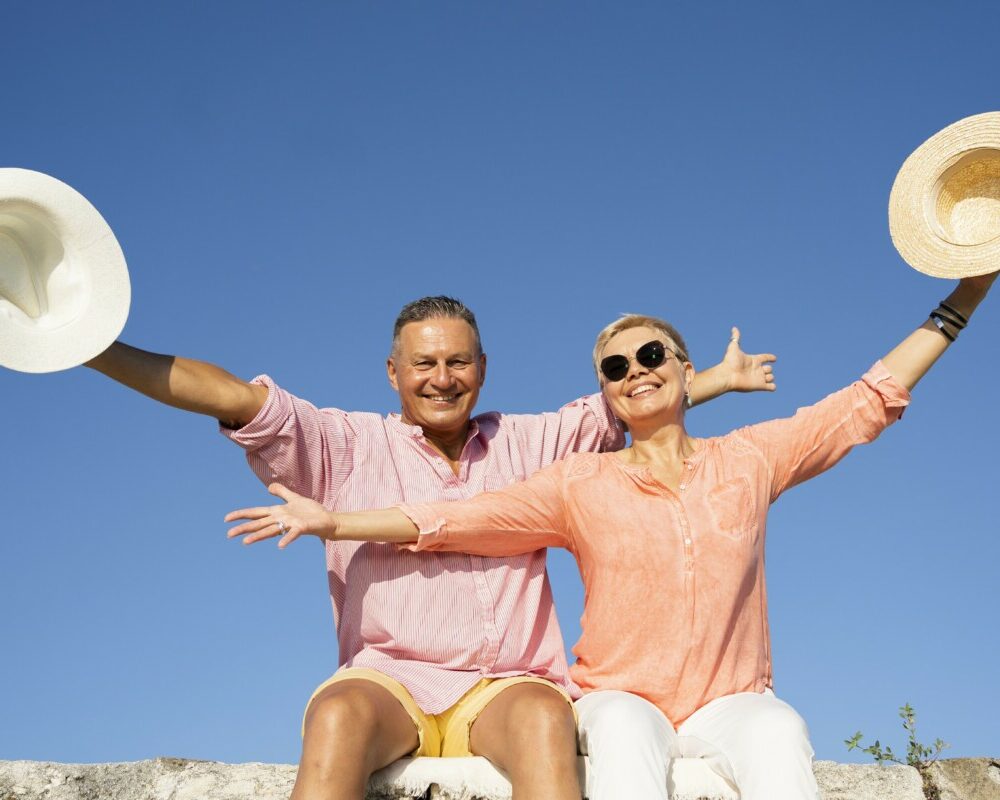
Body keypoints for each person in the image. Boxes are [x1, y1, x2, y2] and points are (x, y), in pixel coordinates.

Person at [226, 274, 996, 800]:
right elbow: (454, 521)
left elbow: (866, 402)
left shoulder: (751, 461)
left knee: (783, 735)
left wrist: (965, 294)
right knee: (622, 738)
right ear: (606, 392)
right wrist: (335, 521)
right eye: (616, 365)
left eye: (652, 355)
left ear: (685, 370)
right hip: (620, 697)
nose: (636, 370)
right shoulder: (577, 483)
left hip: (733, 700)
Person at [86, 295, 775, 800]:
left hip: (505, 685)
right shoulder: (341, 443)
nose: (440, 378)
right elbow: (229, 395)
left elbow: (634, 400)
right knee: (336, 713)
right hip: (391, 678)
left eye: (457, 362)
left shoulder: (535, 442)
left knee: (544, 718)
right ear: (393, 371)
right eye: (423, 364)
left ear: (482, 368)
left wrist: (710, 379)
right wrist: (85, 343)